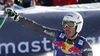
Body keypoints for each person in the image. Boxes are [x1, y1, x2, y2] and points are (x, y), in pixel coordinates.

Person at [4, 8, 93, 56]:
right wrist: (17, 17)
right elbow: (37, 28)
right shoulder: (57, 36)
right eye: (65, 24)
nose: (66, 27)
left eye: (70, 24)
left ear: (78, 26)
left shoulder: (84, 45)